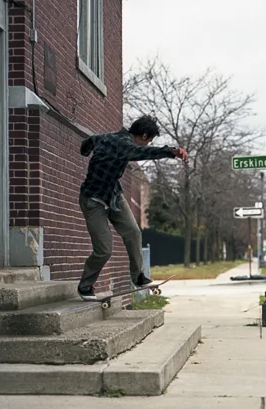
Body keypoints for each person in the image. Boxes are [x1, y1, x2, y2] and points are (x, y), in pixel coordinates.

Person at [77, 115, 188, 301]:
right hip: (93, 199)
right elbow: (146, 153)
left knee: (134, 232)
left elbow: (89, 141)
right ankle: (85, 285)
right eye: (149, 140)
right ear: (143, 135)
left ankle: (138, 277)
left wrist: (85, 150)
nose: (147, 144)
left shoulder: (106, 137)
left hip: (113, 195)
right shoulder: (124, 145)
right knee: (104, 249)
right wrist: (172, 152)